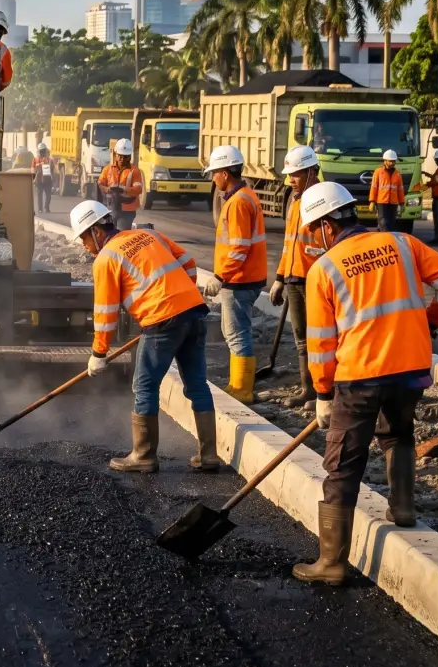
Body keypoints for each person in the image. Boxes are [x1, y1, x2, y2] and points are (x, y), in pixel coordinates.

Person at [293, 181, 438, 585]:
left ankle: (331, 563)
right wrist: (431, 320)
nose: (312, 239)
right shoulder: (403, 243)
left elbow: (321, 345)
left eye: (312, 230)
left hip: (360, 377)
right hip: (411, 368)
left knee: (343, 464)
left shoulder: (325, 269)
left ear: (325, 226)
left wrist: (322, 392)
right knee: (398, 433)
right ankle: (403, 509)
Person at [72, 199, 215, 473]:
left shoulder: (106, 259)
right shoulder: (148, 234)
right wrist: (182, 297)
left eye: (83, 238)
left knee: (144, 387)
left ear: (97, 231)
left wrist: (98, 354)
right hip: (194, 312)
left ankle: (144, 455)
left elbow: (105, 313)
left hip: (162, 321)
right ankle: (208, 456)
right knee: (198, 385)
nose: (83, 245)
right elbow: (188, 262)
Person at [201, 144, 267, 403]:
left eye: (214, 172)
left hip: (239, 280)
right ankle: (239, 384)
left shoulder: (238, 202)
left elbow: (239, 247)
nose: (213, 178)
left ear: (226, 173)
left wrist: (221, 277)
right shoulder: (245, 196)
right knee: (238, 332)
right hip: (246, 277)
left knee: (237, 334)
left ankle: (242, 389)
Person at [269, 145, 322, 412]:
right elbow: (290, 244)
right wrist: (280, 278)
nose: (291, 179)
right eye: (289, 174)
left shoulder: (322, 200)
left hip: (315, 280)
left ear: (312, 171)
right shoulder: (296, 200)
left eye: (296, 174)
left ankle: (324, 391)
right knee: (301, 336)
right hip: (293, 277)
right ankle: (307, 389)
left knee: (320, 338)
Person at [97, 138, 142, 230]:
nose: (122, 159)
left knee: (122, 234)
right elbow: (100, 184)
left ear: (130, 156)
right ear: (116, 154)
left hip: (127, 209)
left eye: (125, 157)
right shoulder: (107, 169)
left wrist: (124, 189)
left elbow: (138, 189)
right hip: (110, 208)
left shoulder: (135, 171)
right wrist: (107, 189)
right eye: (120, 156)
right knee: (109, 235)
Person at [368, 149, 405, 233]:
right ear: (385, 161)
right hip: (382, 202)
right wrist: (372, 201)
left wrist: (402, 203)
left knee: (391, 224)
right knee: (383, 222)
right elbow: (374, 187)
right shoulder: (378, 172)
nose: (392, 163)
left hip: (393, 203)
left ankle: (388, 240)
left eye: (393, 161)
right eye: (390, 161)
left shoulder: (397, 174)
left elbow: (400, 189)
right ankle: (384, 239)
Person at [31, 142, 54, 213]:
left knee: (48, 195)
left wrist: (53, 178)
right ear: (39, 151)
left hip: (47, 180)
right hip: (38, 180)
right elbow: (32, 170)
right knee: (39, 195)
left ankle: (46, 207)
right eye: (41, 150)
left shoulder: (49, 159)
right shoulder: (35, 160)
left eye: (43, 150)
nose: (42, 152)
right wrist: (34, 179)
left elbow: (52, 169)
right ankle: (40, 209)